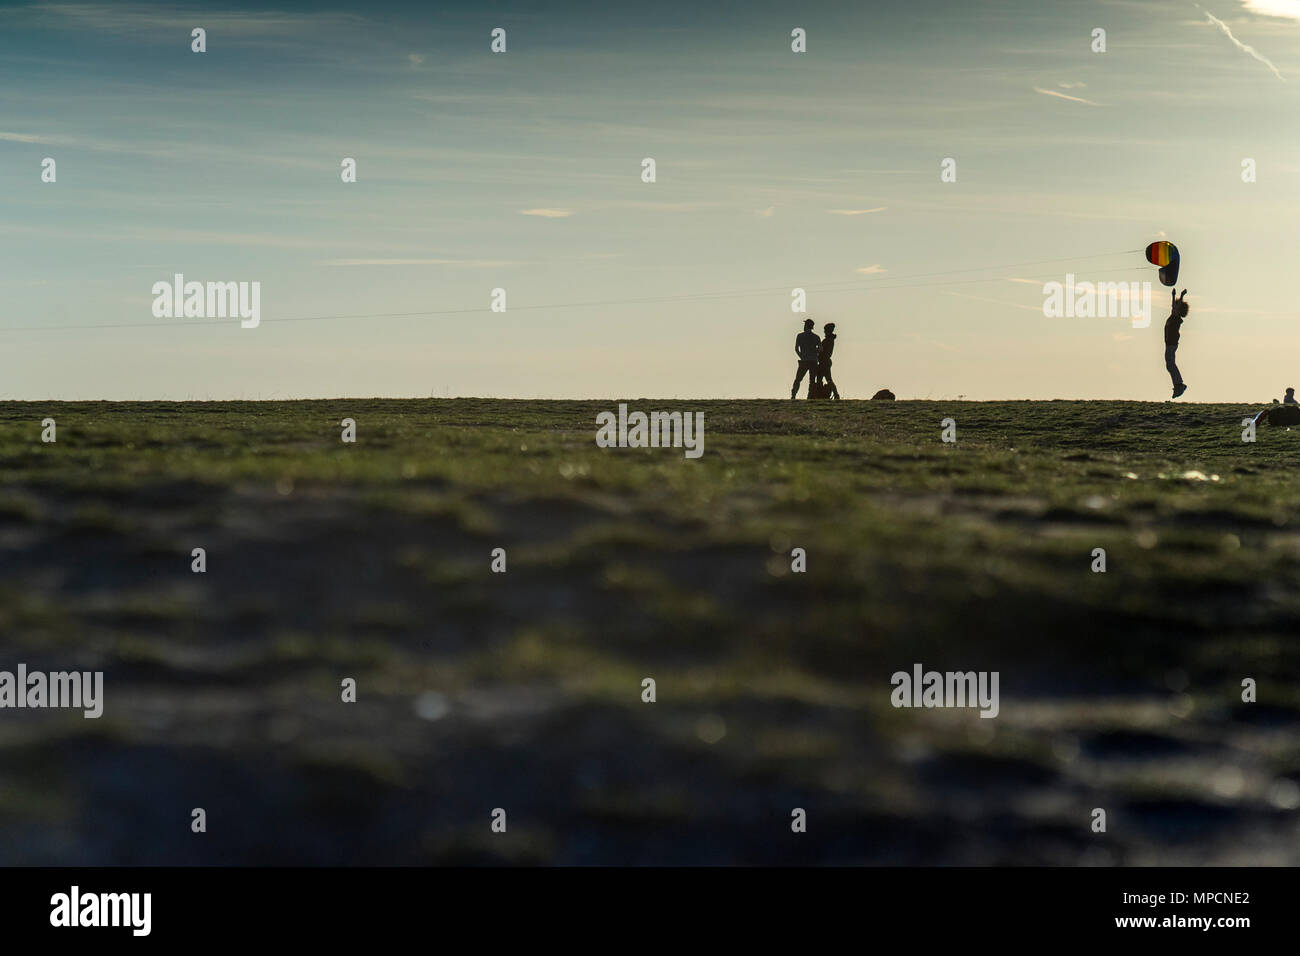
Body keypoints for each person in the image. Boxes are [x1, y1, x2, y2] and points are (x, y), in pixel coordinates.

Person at [1164, 289, 1188, 399]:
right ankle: (1178, 385)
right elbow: (1174, 306)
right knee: (1170, 364)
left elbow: (1176, 307)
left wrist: (1181, 296)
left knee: (1170, 364)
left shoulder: (1175, 318)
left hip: (1171, 342)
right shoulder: (1174, 316)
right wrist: (1173, 296)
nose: (1174, 307)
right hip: (1170, 342)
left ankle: (1179, 385)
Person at [791, 318, 820, 399]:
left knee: (798, 379)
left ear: (806, 325)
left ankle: (793, 395)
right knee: (812, 381)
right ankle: (810, 396)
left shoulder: (800, 336)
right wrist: (815, 354)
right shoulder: (816, 337)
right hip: (813, 361)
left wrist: (802, 356)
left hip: (804, 361)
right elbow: (820, 349)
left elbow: (796, 349)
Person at [814, 322, 840, 400]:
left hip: (824, 362)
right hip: (825, 361)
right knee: (826, 379)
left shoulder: (827, 340)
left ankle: (835, 395)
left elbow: (821, 350)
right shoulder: (830, 339)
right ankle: (834, 394)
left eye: (825, 330)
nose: (824, 331)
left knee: (825, 379)